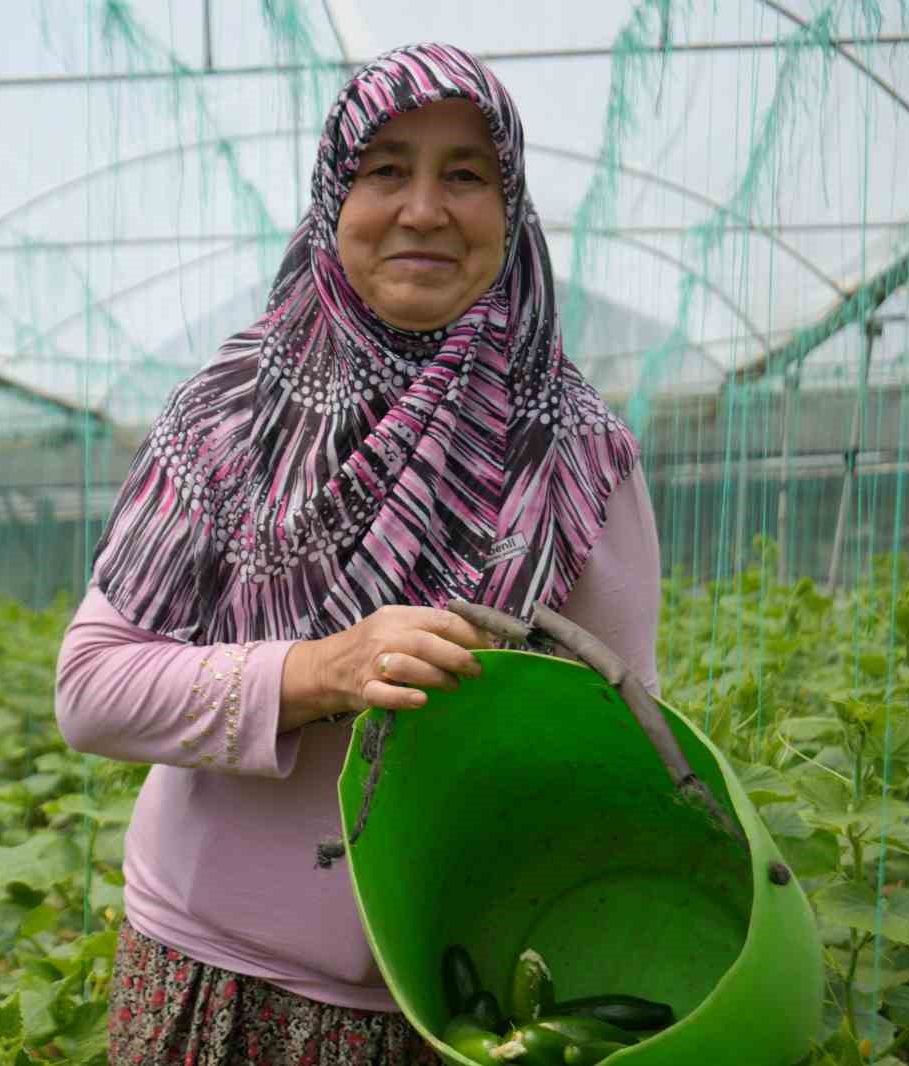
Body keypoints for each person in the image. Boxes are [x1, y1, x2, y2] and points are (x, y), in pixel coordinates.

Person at [54, 42, 661, 1066]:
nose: (423, 208)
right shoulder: (228, 416)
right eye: (386, 169)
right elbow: (93, 690)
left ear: (509, 211)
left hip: (452, 998)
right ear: (335, 194)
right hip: (214, 974)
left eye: (465, 174)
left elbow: (619, 746)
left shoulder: (578, 453)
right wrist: (319, 669)